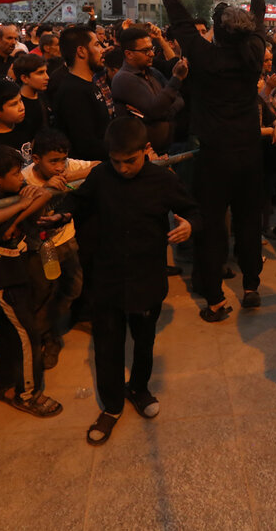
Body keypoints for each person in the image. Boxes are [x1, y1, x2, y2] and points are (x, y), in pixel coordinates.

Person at [148, 0, 268, 321]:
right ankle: (251, 286)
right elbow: (259, 22)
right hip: (250, 153)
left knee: (212, 226)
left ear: (218, 32)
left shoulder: (205, 57)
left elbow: (181, 22)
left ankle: (215, 299)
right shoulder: (254, 55)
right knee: (249, 222)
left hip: (214, 157)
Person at [62, 117, 198, 446]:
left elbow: (193, 209)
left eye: (130, 161)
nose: (122, 168)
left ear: (145, 151)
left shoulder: (162, 180)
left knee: (144, 340)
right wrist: (61, 213)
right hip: (106, 277)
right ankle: (111, 406)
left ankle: (138, 388)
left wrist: (190, 225)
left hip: (146, 277)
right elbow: (78, 203)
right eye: (116, 161)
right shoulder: (100, 175)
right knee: (107, 345)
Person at [0, 144, 65, 418]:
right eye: (15, 173)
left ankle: (4, 385)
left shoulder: (15, 189)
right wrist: (21, 205)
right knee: (27, 335)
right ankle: (27, 394)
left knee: (11, 336)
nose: (21, 177)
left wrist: (17, 217)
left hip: (17, 272)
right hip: (3, 280)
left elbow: (42, 195)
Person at [22, 129, 97, 366]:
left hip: (67, 240)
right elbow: (22, 214)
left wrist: (70, 176)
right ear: (36, 159)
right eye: (53, 161)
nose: (59, 166)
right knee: (43, 293)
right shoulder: (24, 178)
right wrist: (47, 190)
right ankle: (47, 338)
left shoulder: (67, 167)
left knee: (73, 287)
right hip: (39, 247)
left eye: (63, 160)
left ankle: (43, 327)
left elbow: (98, 166)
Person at [110, 25, 188, 155]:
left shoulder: (153, 72)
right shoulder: (124, 79)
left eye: (151, 49)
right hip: (143, 155)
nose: (152, 54)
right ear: (129, 54)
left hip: (166, 150)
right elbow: (155, 108)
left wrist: (158, 115)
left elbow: (179, 100)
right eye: (145, 51)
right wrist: (177, 78)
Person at [51, 25, 111, 162]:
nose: (102, 50)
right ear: (82, 51)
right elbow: (86, 146)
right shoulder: (72, 92)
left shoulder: (89, 84)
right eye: (97, 45)